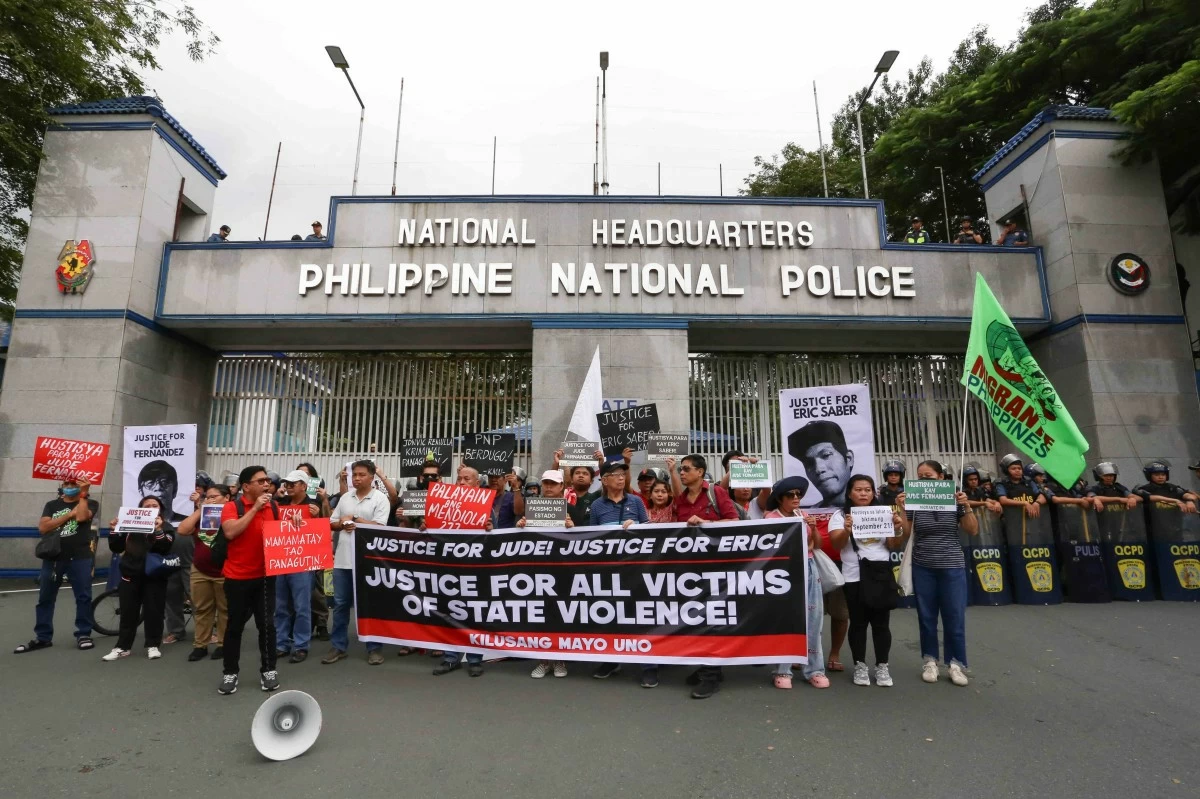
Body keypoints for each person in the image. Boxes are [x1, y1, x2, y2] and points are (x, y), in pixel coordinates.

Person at [665, 453, 740, 698]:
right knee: (696, 619)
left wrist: (706, 523)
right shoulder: (681, 499)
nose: (682, 473)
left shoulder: (716, 493)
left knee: (712, 620)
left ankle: (711, 675)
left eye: (686, 469)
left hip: (716, 567)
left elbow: (735, 521)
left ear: (700, 472)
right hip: (690, 569)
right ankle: (705, 665)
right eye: (681, 470)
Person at [828, 475, 910, 687]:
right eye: (858, 490)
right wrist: (846, 530)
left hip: (881, 572)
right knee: (858, 622)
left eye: (867, 490)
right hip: (854, 575)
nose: (863, 494)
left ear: (874, 492)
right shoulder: (840, 515)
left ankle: (882, 666)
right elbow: (836, 545)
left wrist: (898, 527)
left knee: (882, 623)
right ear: (849, 493)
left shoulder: (884, 512)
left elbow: (894, 544)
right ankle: (860, 665)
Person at [908, 460, 978, 686]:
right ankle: (930, 660)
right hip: (923, 565)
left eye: (928, 475)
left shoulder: (955, 497)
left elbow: (972, 529)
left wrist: (966, 505)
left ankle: (956, 664)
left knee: (954, 616)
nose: (924, 480)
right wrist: (901, 508)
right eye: (920, 476)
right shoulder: (914, 499)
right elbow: (905, 534)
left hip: (952, 565)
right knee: (927, 617)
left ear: (940, 477)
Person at [15, 478, 99, 654]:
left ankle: (83, 634)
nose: (69, 487)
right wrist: (69, 515)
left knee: (83, 596)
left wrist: (83, 494)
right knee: (46, 598)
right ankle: (43, 637)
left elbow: (83, 517)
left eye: (74, 484)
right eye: (67, 484)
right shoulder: (51, 505)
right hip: (53, 559)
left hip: (80, 557)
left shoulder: (90, 502)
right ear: (62, 486)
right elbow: (44, 528)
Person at [218, 465, 282, 695]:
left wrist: (294, 520)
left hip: (265, 577)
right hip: (237, 578)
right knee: (234, 627)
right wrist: (255, 508)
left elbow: (284, 534)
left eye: (267, 480)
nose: (267, 484)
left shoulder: (274, 507)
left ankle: (269, 670)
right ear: (246, 486)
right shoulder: (231, 507)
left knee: (267, 626)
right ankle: (230, 672)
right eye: (260, 481)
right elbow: (231, 532)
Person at [763, 475, 829, 690]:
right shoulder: (770, 518)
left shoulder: (804, 515)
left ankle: (815, 669)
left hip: (808, 568)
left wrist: (814, 527)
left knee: (814, 618)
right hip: (783, 573)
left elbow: (816, 546)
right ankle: (782, 670)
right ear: (780, 499)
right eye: (790, 495)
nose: (796, 498)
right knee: (786, 619)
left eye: (798, 494)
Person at [325, 460, 391, 666]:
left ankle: (374, 648)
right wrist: (341, 524)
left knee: (369, 605)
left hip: (368, 562)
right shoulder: (345, 498)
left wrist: (355, 520)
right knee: (340, 605)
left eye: (361, 475)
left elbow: (381, 527)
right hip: (343, 561)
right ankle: (338, 646)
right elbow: (332, 523)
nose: (356, 478)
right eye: (354, 475)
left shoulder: (380, 499)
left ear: (372, 476)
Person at [433, 465, 494, 677]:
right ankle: (450, 658)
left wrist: (490, 530)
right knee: (449, 612)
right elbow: (434, 532)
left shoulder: (486, 506)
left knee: (473, 613)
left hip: (475, 569)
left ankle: (474, 658)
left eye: (466, 479)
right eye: (459, 478)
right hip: (449, 568)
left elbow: (495, 542)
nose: (461, 482)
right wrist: (426, 527)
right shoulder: (444, 504)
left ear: (477, 483)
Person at [101, 497, 176, 661]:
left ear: (160, 509)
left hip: (154, 577)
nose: (150, 508)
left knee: (154, 612)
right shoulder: (130, 525)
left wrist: (158, 530)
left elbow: (165, 547)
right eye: (146, 506)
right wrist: (113, 530)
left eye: (154, 506)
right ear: (140, 509)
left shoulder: (167, 527)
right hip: (130, 575)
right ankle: (122, 647)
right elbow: (116, 547)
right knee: (128, 613)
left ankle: (153, 645)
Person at [524, 470, 571, 680]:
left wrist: (573, 526)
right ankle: (543, 660)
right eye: (546, 484)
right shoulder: (532, 508)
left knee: (560, 616)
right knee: (540, 616)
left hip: (563, 572)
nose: (549, 487)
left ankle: (559, 659)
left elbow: (587, 539)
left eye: (554, 484)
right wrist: (520, 527)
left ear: (562, 486)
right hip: (538, 571)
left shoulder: (573, 509)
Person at [177, 482, 231, 661]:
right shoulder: (202, 516)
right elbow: (183, 529)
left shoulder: (233, 515)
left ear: (227, 498)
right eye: (207, 496)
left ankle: (223, 644)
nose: (209, 499)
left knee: (224, 610)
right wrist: (201, 510)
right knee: (201, 609)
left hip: (224, 571)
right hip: (200, 569)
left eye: (214, 497)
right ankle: (200, 645)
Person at [274, 470, 322, 664]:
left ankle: (301, 645)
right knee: (280, 606)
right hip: (280, 560)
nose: (289, 486)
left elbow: (320, 532)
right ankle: (281, 643)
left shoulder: (312, 507)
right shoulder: (279, 505)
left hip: (302, 563)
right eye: (287, 483)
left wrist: (316, 518)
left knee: (302, 606)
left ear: (304, 485)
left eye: (293, 483)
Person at [787, 420, 854, 508]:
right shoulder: (806, 516)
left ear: (849, 458)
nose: (818, 469)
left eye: (826, 455)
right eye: (809, 463)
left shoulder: (872, 512)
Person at [1134, 460, 1199, 512]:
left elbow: (1191, 496)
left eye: (1163, 474)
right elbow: (1150, 497)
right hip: (1153, 524)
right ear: (1149, 476)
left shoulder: (1172, 488)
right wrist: (1175, 501)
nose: (1160, 477)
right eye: (1156, 475)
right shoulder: (1144, 488)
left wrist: (1189, 501)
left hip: (1174, 524)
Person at [995, 453, 1046, 517]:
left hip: (1031, 521)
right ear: (1006, 470)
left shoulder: (1029, 481)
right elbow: (1003, 500)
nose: (1017, 471)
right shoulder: (1001, 483)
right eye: (1013, 469)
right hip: (1012, 520)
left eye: (1019, 468)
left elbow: (1041, 496)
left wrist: (1037, 503)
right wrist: (1024, 503)